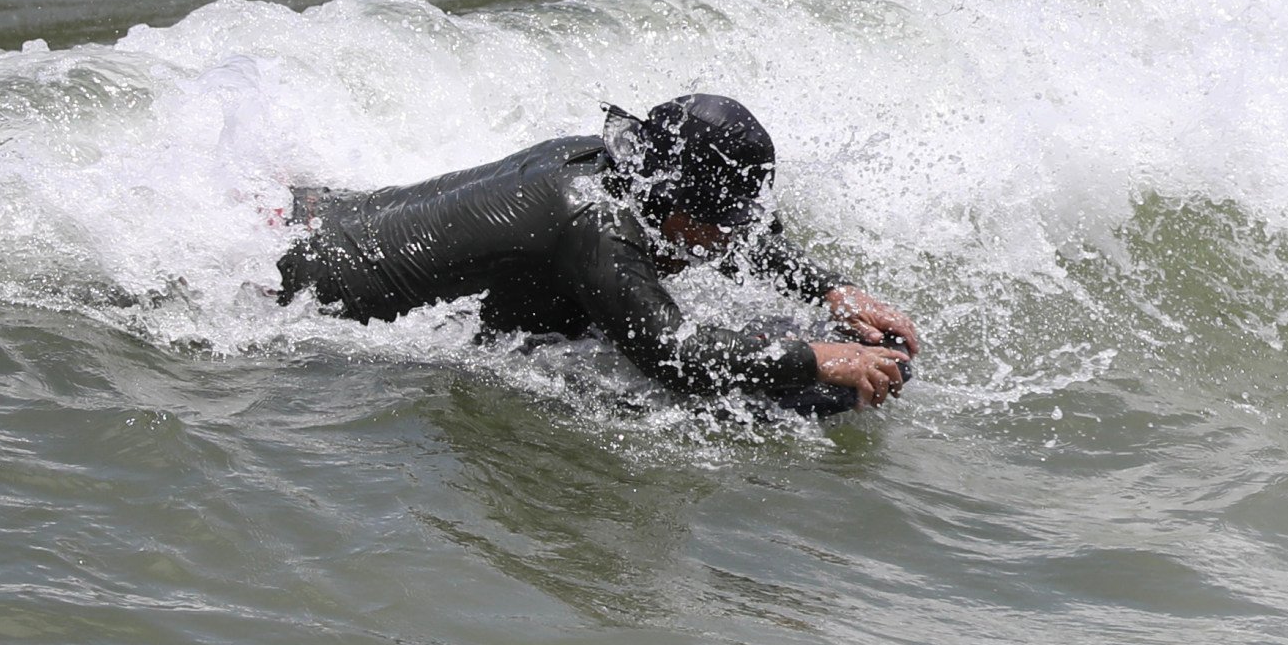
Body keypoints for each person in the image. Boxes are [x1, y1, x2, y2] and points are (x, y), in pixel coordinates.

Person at [276, 94, 921, 413]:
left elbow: (737, 244)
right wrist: (818, 357)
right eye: (719, 224)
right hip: (297, 282)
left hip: (318, 217)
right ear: (672, 204)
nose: (735, 240)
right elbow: (678, 357)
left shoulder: (622, 166)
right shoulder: (594, 226)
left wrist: (832, 292)